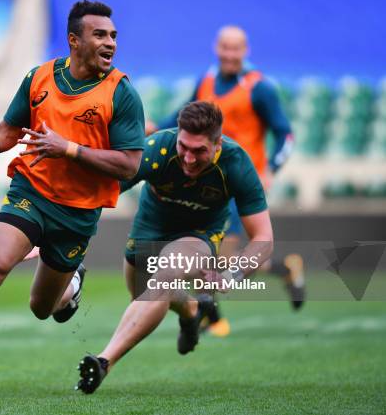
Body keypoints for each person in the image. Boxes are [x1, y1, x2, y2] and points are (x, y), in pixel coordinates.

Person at [0, 0, 145, 399]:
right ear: (74, 40)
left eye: (113, 36)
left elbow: (128, 164)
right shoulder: (38, 79)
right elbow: (7, 131)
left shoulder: (121, 93)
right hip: (30, 192)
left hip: (77, 214)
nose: (110, 43)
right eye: (100, 35)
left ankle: (72, 282)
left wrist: (68, 149)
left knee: (42, 307)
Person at [75, 101, 274, 394]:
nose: (190, 159)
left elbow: (263, 238)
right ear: (177, 135)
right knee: (143, 297)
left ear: (218, 144)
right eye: (184, 147)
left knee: (165, 276)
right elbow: (100, 194)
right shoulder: (157, 148)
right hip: (150, 226)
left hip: (199, 234)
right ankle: (192, 309)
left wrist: (234, 274)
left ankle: (104, 361)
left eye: (200, 151)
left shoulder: (236, 163)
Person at [156, 26, 303, 337]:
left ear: (245, 50)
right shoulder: (207, 81)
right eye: (225, 47)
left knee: (218, 258)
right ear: (216, 48)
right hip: (207, 180)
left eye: (236, 48)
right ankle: (284, 271)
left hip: (238, 184)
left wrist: (271, 169)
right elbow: (183, 118)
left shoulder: (258, 87)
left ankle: (212, 317)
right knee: (219, 258)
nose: (230, 54)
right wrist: (154, 130)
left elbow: (284, 132)